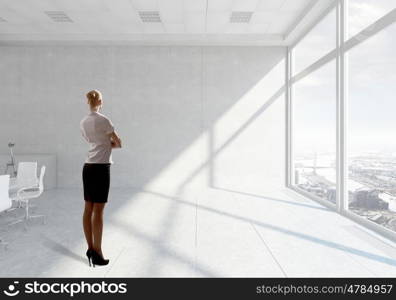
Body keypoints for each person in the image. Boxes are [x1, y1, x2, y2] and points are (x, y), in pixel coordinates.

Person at [80, 89, 122, 267]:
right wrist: (108, 144)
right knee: (99, 211)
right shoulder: (105, 120)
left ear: (87, 102)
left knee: (88, 208)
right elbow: (118, 143)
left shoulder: (83, 122)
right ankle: (98, 251)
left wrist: (101, 143)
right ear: (101, 102)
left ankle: (90, 248)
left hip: (88, 167)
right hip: (101, 168)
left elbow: (91, 142)